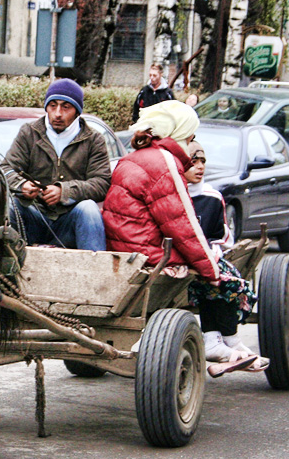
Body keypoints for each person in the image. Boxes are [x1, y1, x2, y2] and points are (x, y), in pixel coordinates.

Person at [102, 101, 257, 376]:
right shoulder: (163, 163)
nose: (191, 143)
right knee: (223, 275)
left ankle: (227, 341)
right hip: (148, 251)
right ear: (176, 134)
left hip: (126, 246)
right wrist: (210, 269)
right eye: (190, 137)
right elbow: (181, 225)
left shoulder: (135, 157)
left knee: (210, 265)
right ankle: (217, 341)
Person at [183, 141, 267, 372]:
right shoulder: (172, 195)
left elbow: (223, 238)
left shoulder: (211, 196)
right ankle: (213, 339)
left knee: (229, 280)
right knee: (218, 281)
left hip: (205, 256)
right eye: (193, 162)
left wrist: (210, 252)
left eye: (203, 162)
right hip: (181, 261)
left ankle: (229, 339)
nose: (199, 167)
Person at [1, 78, 110, 251]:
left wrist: (64, 192)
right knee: (11, 204)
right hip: (33, 216)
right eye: (52, 106)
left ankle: (96, 273)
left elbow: (102, 182)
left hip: (71, 220)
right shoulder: (29, 132)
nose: (58, 113)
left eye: (65, 107)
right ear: (46, 108)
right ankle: (3, 268)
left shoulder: (93, 139)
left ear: (77, 111)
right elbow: (5, 170)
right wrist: (22, 186)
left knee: (88, 209)